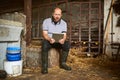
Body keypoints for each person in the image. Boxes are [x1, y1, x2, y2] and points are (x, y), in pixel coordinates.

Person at [41, 7, 71, 74]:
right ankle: (44, 66)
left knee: (67, 44)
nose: (57, 16)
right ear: (52, 14)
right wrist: (49, 39)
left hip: (59, 41)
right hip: (49, 40)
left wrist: (63, 39)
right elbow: (45, 34)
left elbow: (64, 35)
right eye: (55, 14)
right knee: (44, 44)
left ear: (61, 15)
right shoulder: (46, 21)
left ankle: (63, 64)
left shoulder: (64, 23)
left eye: (59, 14)